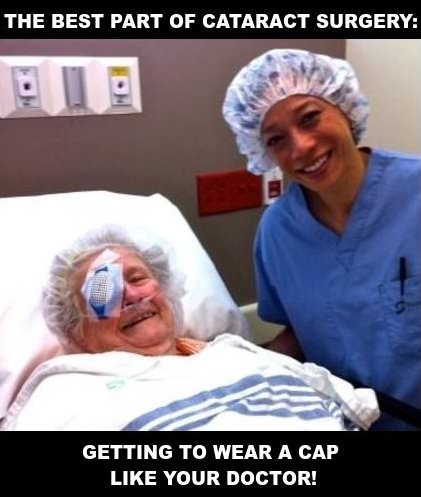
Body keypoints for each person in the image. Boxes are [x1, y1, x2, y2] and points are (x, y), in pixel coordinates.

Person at [1, 225, 378, 431]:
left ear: (165, 289)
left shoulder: (233, 355)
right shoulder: (65, 395)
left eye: (138, 278)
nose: (132, 296)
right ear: (75, 330)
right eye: (104, 291)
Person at [222, 48, 421, 430]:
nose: (301, 147)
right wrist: (241, 371)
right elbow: (302, 330)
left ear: (344, 109)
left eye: (310, 118)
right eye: (276, 139)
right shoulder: (277, 232)